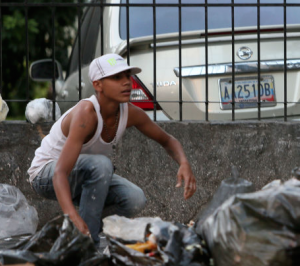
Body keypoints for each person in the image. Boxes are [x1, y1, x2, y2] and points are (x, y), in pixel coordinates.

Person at [27, 54, 197, 243]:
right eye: (117, 78)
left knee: (135, 198)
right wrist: (72, 217)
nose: (126, 83)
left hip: (84, 175)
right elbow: (60, 173)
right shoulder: (86, 114)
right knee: (101, 165)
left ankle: (86, 234)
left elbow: (167, 140)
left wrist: (184, 162)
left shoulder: (130, 113)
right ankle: (87, 243)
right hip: (46, 174)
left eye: (127, 76)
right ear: (98, 85)